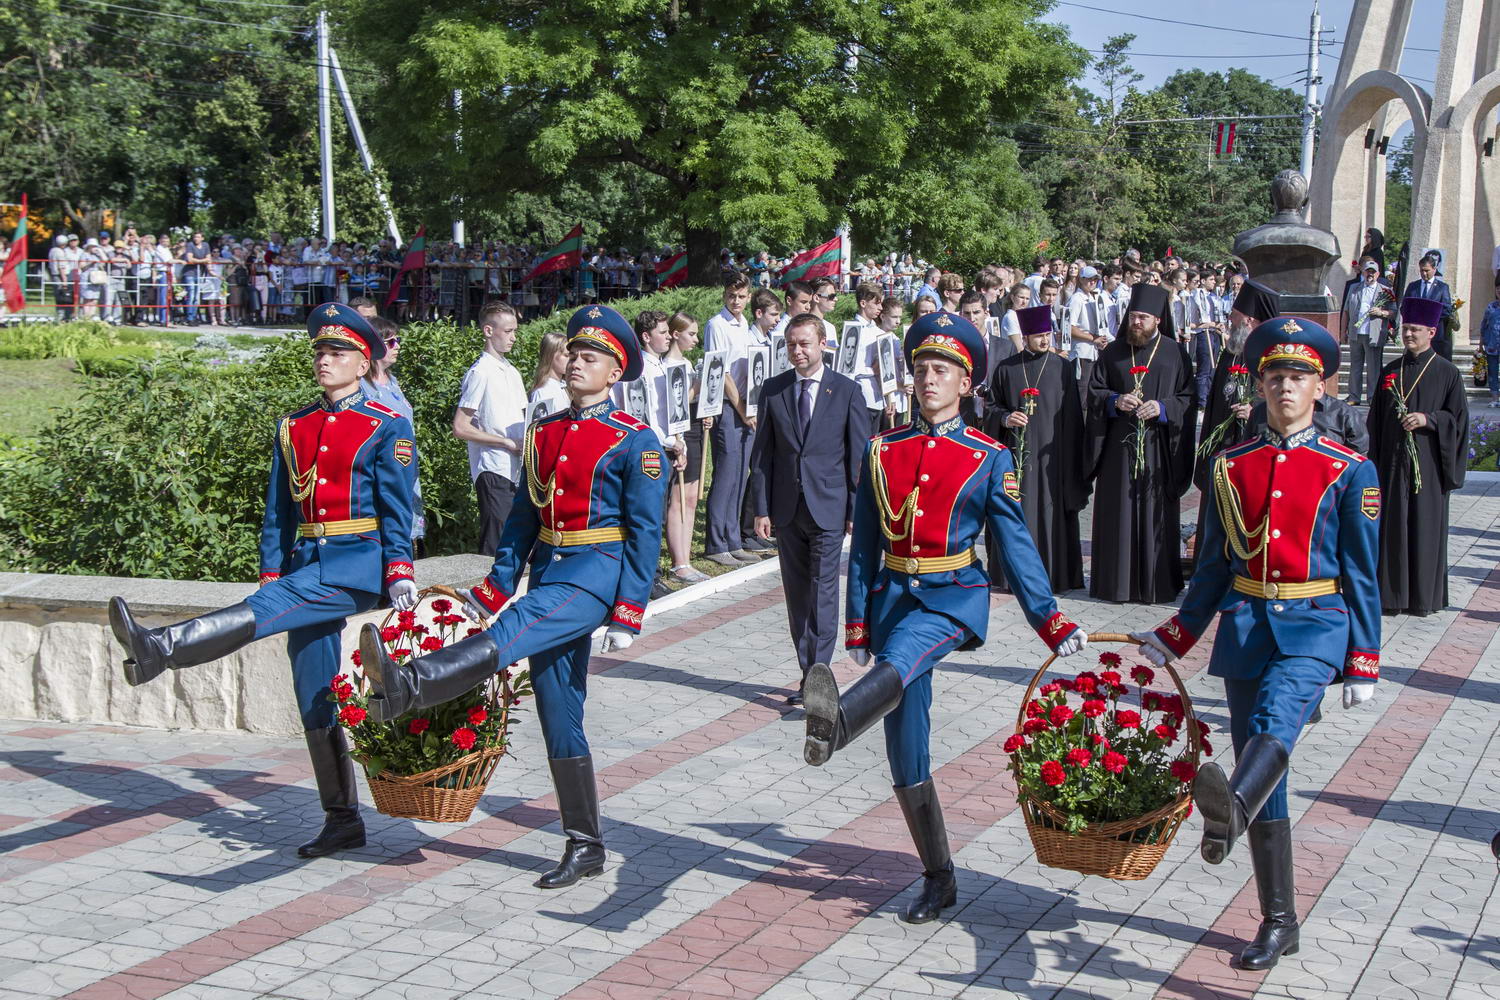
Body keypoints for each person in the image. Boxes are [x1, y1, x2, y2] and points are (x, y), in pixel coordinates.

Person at [358, 304, 668, 889]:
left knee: (510, 634)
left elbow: (645, 531)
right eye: (574, 352)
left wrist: (630, 608)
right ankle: (585, 843)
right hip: (552, 567)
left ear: (616, 370)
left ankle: (410, 684)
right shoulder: (544, 431)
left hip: (594, 572)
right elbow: (523, 519)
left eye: (591, 356)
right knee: (559, 713)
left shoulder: (635, 441)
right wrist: (498, 584)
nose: (577, 362)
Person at [803, 311, 1087, 924]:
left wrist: (1051, 620)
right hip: (894, 598)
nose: (928, 379)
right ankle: (939, 876)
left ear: (966, 382)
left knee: (903, 655)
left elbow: (1015, 543)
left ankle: (837, 722)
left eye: (943, 371)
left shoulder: (988, 455)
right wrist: (856, 623)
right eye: (921, 369)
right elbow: (869, 545)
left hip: (952, 596)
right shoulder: (885, 450)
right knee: (906, 751)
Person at [108, 303, 418, 858]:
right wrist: (271, 572)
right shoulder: (295, 425)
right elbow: (278, 510)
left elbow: (398, 508)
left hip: (355, 565)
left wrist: (399, 570)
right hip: (305, 566)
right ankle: (342, 819)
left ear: (363, 361)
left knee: (278, 629)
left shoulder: (385, 426)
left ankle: (162, 646)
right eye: (321, 351)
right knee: (315, 696)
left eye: (337, 352)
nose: (325, 361)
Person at [1134, 316, 1380, 972]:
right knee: (1263, 766)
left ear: (1321, 386)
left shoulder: (1348, 470)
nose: (1285, 387)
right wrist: (1175, 636)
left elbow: (1360, 570)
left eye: (1298, 376)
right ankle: (1278, 919)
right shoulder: (1229, 466)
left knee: (1275, 725)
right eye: (1275, 376)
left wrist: (1363, 659)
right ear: (1260, 384)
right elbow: (1213, 566)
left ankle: (1230, 809)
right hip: (1245, 630)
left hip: (1316, 627)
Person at [750, 313, 871, 706]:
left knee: (822, 592)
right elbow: (762, 456)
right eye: (790, 344)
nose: (797, 351)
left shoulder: (847, 391)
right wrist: (761, 507)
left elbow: (858, 457)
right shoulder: (774, 390)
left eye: (804, 343)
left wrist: (856, 508)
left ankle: (819, 677)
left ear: (822, 344)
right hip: (787, 509)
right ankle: (808, 674)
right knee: (798, 596)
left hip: (829, 507)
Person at [1085, 282, 1196, 604]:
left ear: (1158, 318)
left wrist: (1162, 408)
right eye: (1133, 316)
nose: (1136, 323)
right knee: (1117, 512)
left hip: (1158, 449)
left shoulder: (1175, 354)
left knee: (1154, 513)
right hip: (1118, 449)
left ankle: (1156, 584)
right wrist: (1114, 401)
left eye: (1143, 317)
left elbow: (1188, 399)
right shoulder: (1113, 352)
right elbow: (1094, 392)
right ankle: (1113, 584)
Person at [1367, 296, 1469, 616]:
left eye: (1415, 329)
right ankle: (1392, 595)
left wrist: (1429, 420)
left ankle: (1423, 597)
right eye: (1405, 328)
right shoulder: (1390, 370)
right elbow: (1375, 419)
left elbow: (1458, 421)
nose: (1408, 334)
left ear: (1432, 331)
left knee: (1424, 527)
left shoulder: (1447, 372)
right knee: (1394, 525)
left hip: (1428, 463)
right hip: (1394, 463)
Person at [986, 305, 1088, 592]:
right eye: (1039, 335)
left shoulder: (1063, 367)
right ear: (1026, 336)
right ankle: (1013, 577)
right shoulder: (1006, 368)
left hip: (1053, 457)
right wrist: (1005, 417)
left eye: (1048, 334)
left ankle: (1055, 575)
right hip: (1016, 457)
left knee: (1051, 514)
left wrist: (1072, 458)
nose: (1045, 340)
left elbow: (1073, 416)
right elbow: (992, 408)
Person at [453, 301, 528, 556]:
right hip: (492, 468)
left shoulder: (512, 371)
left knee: (516, 543)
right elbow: (461, 427)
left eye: (515, 331)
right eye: (508, 331)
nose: (514, 338)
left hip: (516, 469)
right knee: (495, 544)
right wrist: (504, 442)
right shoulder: (480, 372)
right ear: (488, 331)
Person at [1195, 279, 1282, 491]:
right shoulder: (1231, 351)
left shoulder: (1274, 355)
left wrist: (1256, 411)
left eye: (1234, 313)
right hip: (1223, 438)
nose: (1230, 318)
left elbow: (1283, 400)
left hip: (1255, 440)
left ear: (1248, 320)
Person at [703, 276, 764, 566]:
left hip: (747, 407)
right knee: (726, 474)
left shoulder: (744, 327)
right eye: (731, 295)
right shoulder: (718, 324)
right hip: (729, 406)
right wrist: (742, 409)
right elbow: (723, 372)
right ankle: (716, 543)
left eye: (741, 296)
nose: (736, 301)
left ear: (749, 297)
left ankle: (733, 539)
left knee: (740, 474)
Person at [663, 312, 712, 584]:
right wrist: (696, 385)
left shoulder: (687, 361)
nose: (695, 339)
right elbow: (677, 401)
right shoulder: (668, 364)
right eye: (690, 334)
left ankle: (686, 558)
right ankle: (678, 561)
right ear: (675, 334)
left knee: (692, 497)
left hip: (693, 427)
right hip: (677, 432)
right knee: (679, 496)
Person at [1343, 259, 1396, 405]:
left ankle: (1373, 397)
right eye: (1368, 271)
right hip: (1356, 333)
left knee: (1373, 368)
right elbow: (1346, 311)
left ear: (1378, 274)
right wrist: (1343, 331)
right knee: (1355, 366)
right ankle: (1354, 396)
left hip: (1374, 334)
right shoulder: (1354, 288)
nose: (1370, 274)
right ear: (1363, 272)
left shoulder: (1385, 290)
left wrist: (1381, 312)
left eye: (1373, 272)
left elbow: (1394, 312)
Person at [1402, 254, 1456, 360]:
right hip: (1415, 334)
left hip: (1435, 335)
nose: (1424, 273)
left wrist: (1429, 319)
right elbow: (1404, 307)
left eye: (1427, 270)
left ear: (1434, 269)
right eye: (1421, 270)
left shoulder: (1442, 287)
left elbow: (1446, 309)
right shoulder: (1413, 286)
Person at [1067, 265, 1111, 390]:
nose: (1092, 282)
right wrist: (1093, 338)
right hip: (1081, 352)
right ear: (1081, 279)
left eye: (1095, 279)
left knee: (1089, 389)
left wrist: (1100, 339)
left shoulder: (1092, 297)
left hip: (1092, 351)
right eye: (1089, 279)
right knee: (1082, 390)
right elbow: (1069, 328)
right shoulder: (1076, 299)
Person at [528, 330, 571, 419]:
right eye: (566, 355)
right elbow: (537, 428)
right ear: (550, 356)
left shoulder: (564, 387)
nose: (570, 360)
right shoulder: (542, 391)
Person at [1481, 274, 1500, 408]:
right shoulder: (1491, 307)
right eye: (1498, 288)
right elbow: (1484, 325)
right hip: (1492, 346)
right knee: (1492, 372)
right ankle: (1495, 398)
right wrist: (1481, 343)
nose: (1499, 291)